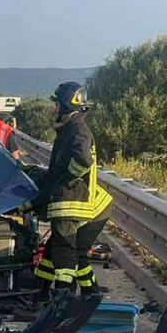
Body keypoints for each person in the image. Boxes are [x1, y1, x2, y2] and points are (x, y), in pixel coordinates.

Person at [30, 82, 112, 300]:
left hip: (72, 202)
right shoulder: (69, 129)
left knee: (65, 252)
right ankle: (53, 292)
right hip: (77, 202)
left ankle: (62, 296)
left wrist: (66, 179)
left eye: (57, 104)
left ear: (66, 105)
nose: (54, 109)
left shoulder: (77, 130)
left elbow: (82, 160)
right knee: (57, 250)